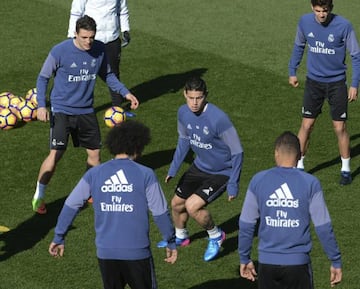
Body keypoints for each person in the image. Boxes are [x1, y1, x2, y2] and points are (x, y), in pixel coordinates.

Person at [49, 120, 178, 289]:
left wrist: (59, 236)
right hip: (137, 253)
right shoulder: (146, 174)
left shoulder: (94, 173)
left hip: (106, 253)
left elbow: (71, 205)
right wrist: (170, 241)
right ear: (138, 146)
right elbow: (160, 212)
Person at [32, 15, 139, 214]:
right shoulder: (60, 51)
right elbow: (43, 78)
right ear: (76, 33)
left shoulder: (99, 49)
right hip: (62, 109)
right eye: (84, 37)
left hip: (86, 110)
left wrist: (126, 92)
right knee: (56, 154)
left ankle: (89, 191)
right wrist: (40, 105)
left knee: (95, 154)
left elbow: (107, 75)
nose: (88, 41)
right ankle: (39, 195)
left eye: (91, 37)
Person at [238, 131, 342, 289]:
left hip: (267, 265)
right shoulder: (310, 183)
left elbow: (246, 223)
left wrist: (244, 258)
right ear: (300, 155)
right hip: (298, 266)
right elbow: (323, 226)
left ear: (276, 153)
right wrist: (335, 260)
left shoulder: (258, 180)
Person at [157, 76, 244, 262]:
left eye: (199, 98)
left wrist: (233, 184)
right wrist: (173, 169)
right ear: (184, 95)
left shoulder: (219, 119)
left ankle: (216, 235)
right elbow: (184, 140)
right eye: (191, 98)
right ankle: (181, 236)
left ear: (205, 96)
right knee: (176, 204)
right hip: (199, 166)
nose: (194, 103)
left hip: (221, 172)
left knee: (192, 206)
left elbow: (237, 151)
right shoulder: (182, 112)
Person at [288, 0, 360, 185]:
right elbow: (299, 46)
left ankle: (345, 169)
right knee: (307, 125)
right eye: (318, 10)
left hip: (337, 84)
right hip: (314, 83)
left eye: (325, 10)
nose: (321, 15)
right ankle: (299, 166)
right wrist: (292, 71)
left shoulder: (344, 26)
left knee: (340, 127)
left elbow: (355, 55)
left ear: (331, 9)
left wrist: (354, 84)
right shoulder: (304, 22)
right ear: (312, 7)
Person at [67, 0, 131, 107]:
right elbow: (76, 12)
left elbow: (122, 9)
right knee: (83, 74)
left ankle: (118, 108)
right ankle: (76, 106)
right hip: (91, 40)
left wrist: (125, 29)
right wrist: (72, 38)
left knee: (113, 73)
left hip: (112, 38)